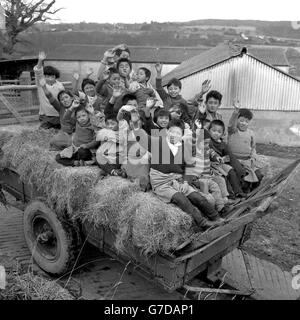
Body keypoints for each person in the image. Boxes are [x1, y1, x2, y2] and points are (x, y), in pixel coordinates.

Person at [130, 111, 223, 231]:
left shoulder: (184, 148)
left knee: (198, 197)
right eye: (172, 131)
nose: (174, 135)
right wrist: (135, 124)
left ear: (182, 135)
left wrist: (185, 182)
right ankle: (202, 222)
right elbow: (141, 138)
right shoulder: (157, 142)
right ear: (167, 132)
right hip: (161, 182)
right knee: (181, 199)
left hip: (177, 180)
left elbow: (189, 167)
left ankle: (216, 218)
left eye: (178, 133)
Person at [228, 102, 265, 191]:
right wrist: (236, 112)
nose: (243, 123)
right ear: (237, 120)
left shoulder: (251, 133)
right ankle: (243, 189)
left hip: (248, 160)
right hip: (235, 160)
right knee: (242, 176)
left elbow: (253, 148)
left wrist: (253, 156)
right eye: (241, 120)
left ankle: (253, 190)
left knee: (258, 175)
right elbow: (230, 124)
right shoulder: (233, 131)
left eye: (246, 121)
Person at [208, 120, 246, 199]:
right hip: (211, 165)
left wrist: (225, 159)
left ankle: (238, 191)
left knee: (231, 171)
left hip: (221, 163)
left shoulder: (222, 144)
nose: (216, 133)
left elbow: (229, 155)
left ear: (222, 134)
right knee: (224, 176)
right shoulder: (208, 141)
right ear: (209, 130)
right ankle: (230, 195)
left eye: (219, 132)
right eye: (213, 130)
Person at [55, 100, 98, 166]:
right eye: (79, 117)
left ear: (88, 115)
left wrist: (92, 113)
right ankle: (75, 163)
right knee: (58, 157)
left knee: (82, 151)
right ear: (76, 118)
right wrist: (72, 107)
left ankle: (86, 160)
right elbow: (65, 118)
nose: (81, 118)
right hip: (75, 149)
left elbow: (96, 140)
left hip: (87, 150)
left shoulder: (92, 125)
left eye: (84, 115)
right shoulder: (76, 123)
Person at [40, 77, 76, 151]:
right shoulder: (61, 108)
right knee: (53, 142)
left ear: (71, 98)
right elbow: (49, 96)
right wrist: (44, 87)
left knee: (75, 142)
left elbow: (75, 93)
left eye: (66, 97)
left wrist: (76, 80)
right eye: (62, 99)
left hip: (75, 133)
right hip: (64, 133)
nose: (65, 100)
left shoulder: (76, 107)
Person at [34, 51, 64, 129]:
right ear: (44, 77)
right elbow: (38, 71)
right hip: (45, 115)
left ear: (55, 76)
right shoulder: (41, 84)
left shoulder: (60, 86)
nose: (49, 79)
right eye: (47, 76)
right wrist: (40, 60)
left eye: (52, 76)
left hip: (58, 114)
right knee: (43, 133)